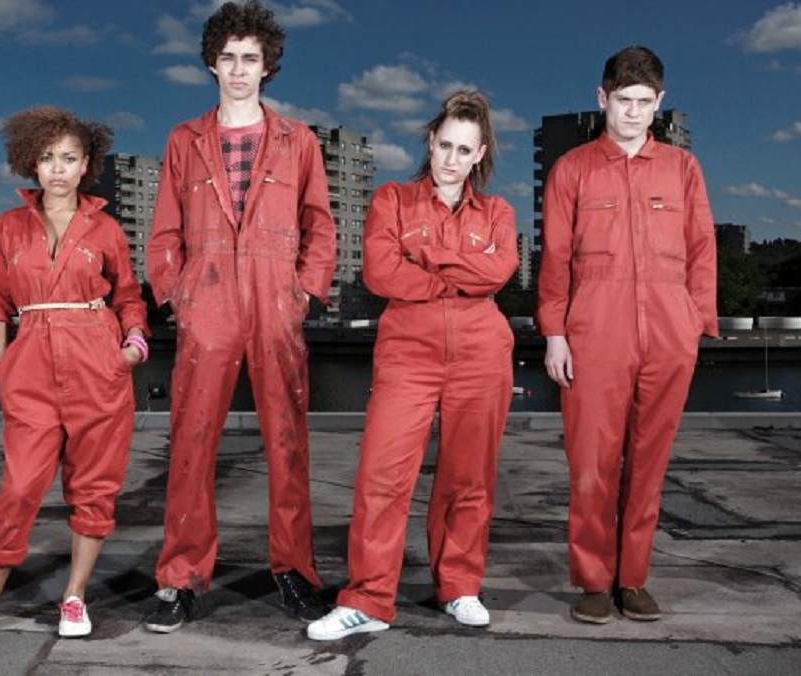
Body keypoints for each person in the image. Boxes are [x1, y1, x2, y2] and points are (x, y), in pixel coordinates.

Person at [143, 0, 336, 633]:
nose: (238, 70)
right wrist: (180, 296)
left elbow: (320, 225)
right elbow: (164, 230)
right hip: (211, 301)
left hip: (274, 300)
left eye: (250, 59)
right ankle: (181, 576)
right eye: (227, 58)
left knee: (288, 442)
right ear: (210, 62)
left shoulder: (298, 140)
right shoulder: (184, 140)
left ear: (268, 67)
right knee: (192, 442)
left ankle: (295, 571)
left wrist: (302, 291)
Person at [0, 107, 148, 643]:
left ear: (86, 163)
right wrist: (6, 365)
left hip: (99, 366)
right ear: (31, 164)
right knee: (19, 488)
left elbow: (130, 296)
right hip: (32, 371)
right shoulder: (8, 227)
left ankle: (74, 598)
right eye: (46, 158)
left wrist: (132, 349)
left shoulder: (107, 229)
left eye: (69, 158)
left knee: (93, 490)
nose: (57, 169)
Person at [307, 91, 518, 641]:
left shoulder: (498, 212)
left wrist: (427, 261)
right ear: (430, 142)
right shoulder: (392, 200)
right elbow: (381, 273)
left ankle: (459, 587)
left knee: (468, 478)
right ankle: (369, 599)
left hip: (481, 354)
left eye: (463, 149)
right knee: (381, 474)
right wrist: (458, 276)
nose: (451, 158)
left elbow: (500, 272)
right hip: (408, 355)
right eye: (444, 144)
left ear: (480, 154)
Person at [536, 46, 718, 624]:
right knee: (591, 462)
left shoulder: (683, 169)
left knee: (648, 462)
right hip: (595, 332)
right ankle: (593, 581)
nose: (634, 113)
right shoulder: (572, 170)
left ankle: (632, 579)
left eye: (645, 103)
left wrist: (693, 323)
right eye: (623, 101)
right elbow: (556, 258)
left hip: (668, 333)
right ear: (602, 98)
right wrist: (555, 333)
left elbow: (702, 250)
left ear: (660, 102)